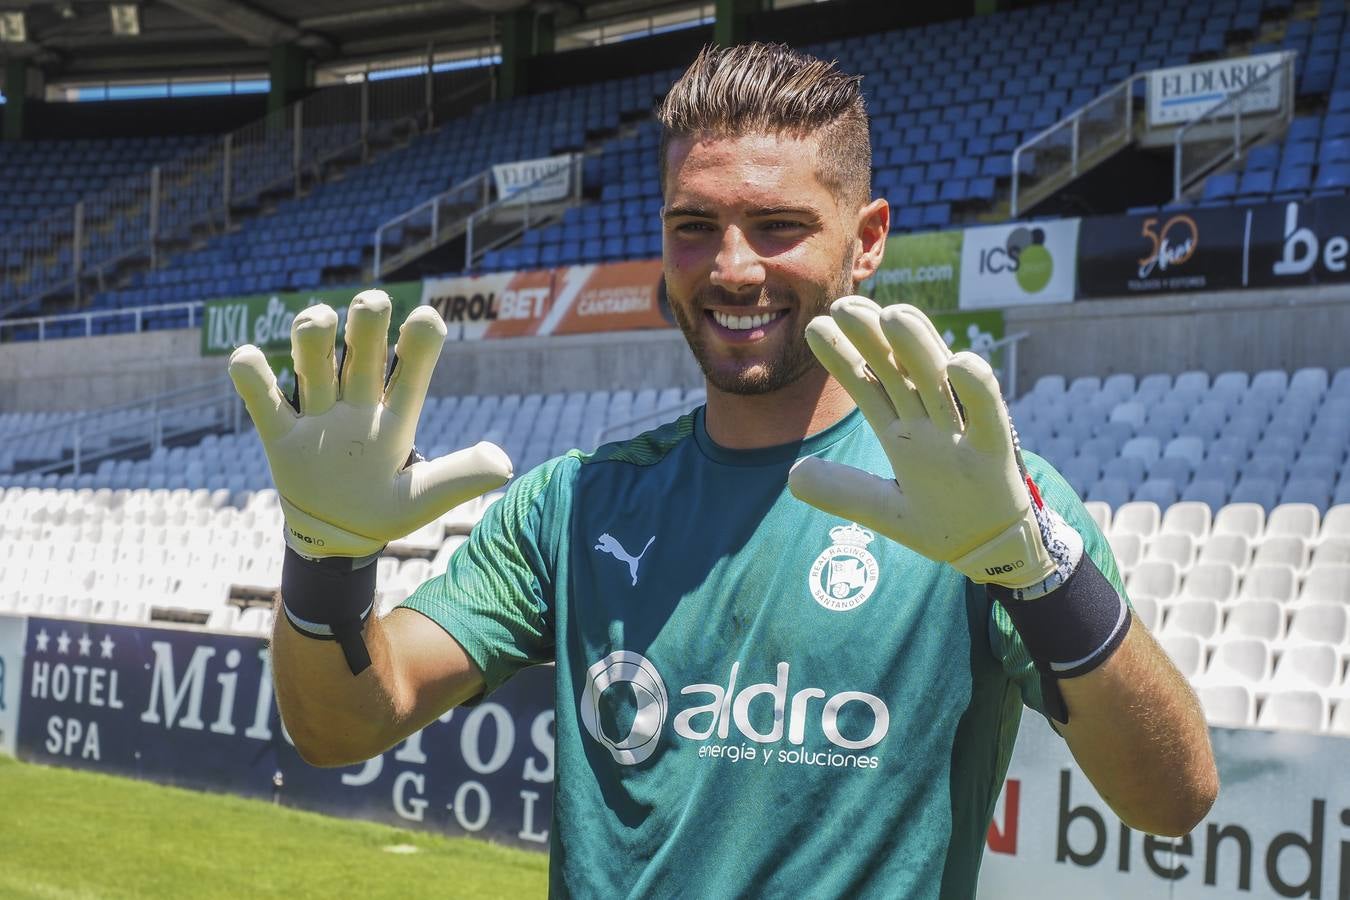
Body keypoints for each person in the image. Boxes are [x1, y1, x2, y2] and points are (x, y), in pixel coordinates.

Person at [228, 42, 1217, 899]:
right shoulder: (573, 505)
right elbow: (342, 724)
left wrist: (1039, 573)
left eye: (778, 226)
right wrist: (324, 559)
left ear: (867, 240)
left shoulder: (987, 498)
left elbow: (1172, 800)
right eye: (694, 226)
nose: (732, 268)